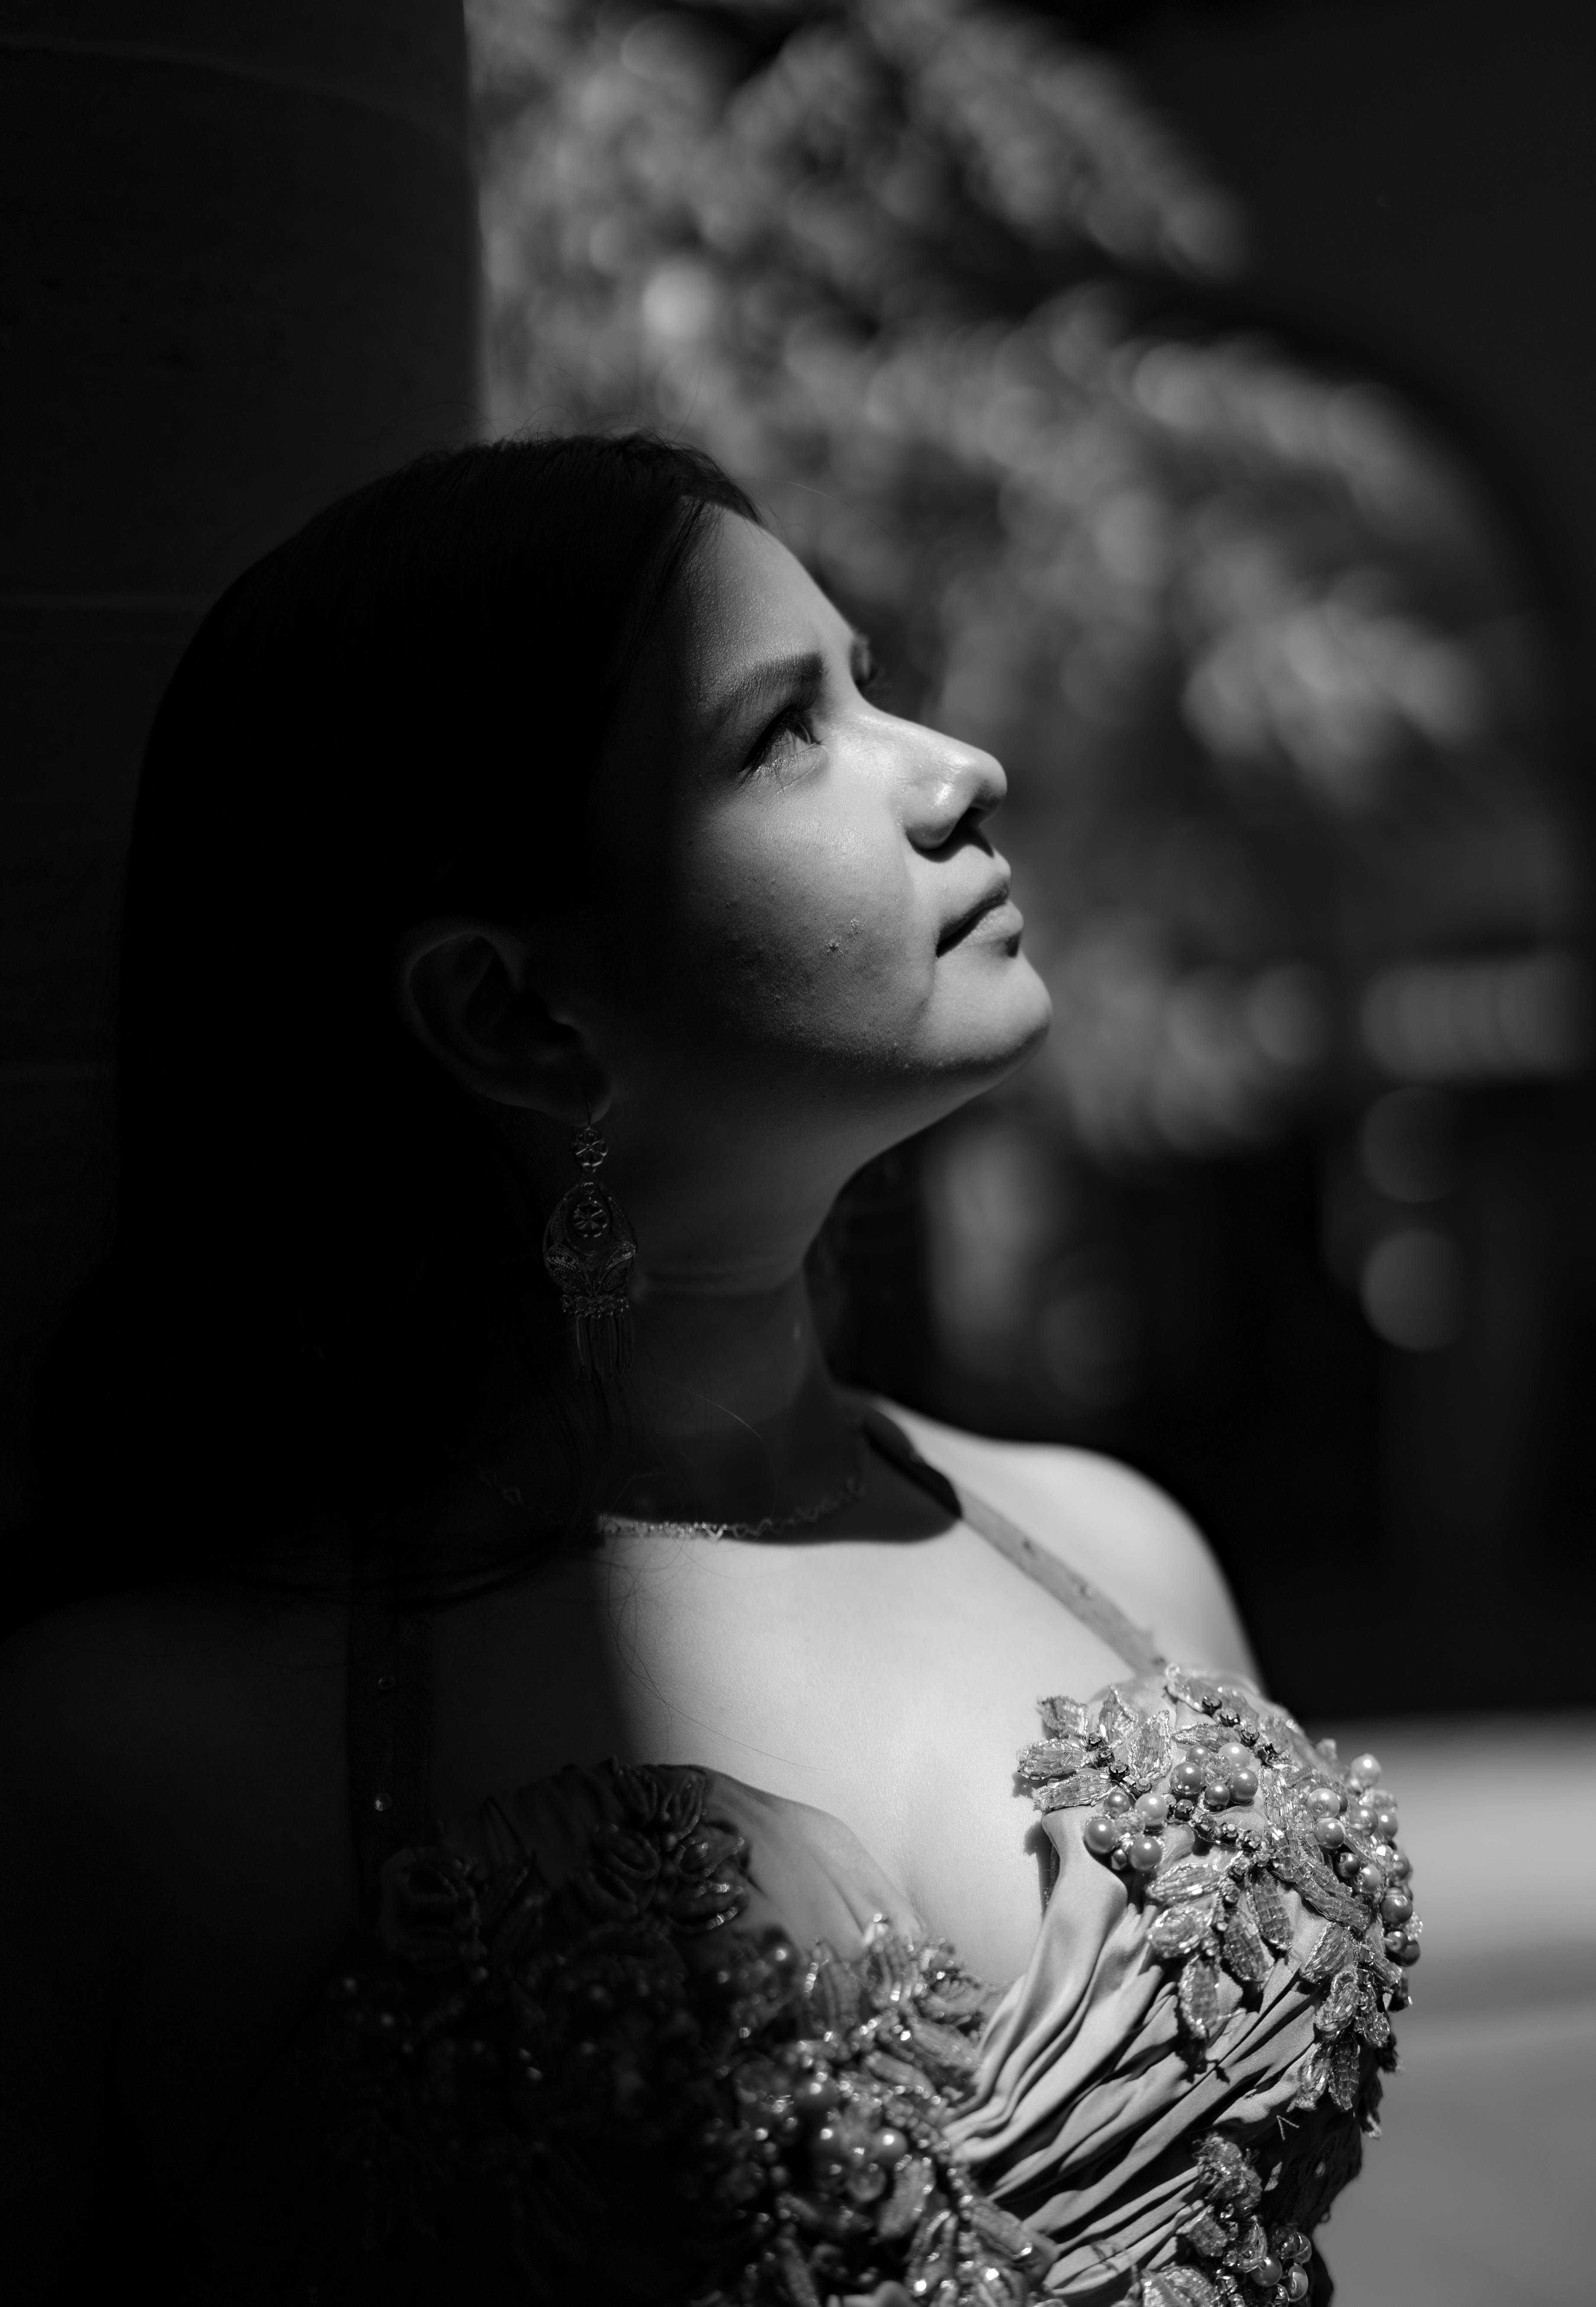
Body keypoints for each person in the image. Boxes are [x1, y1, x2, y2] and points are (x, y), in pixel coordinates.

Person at [0, 435, 1414, 2302]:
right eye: (781, 735)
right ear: (511, 1009)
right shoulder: (135, 1762)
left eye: (871, 685)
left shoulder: (1121, 1551)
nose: (958, 769)